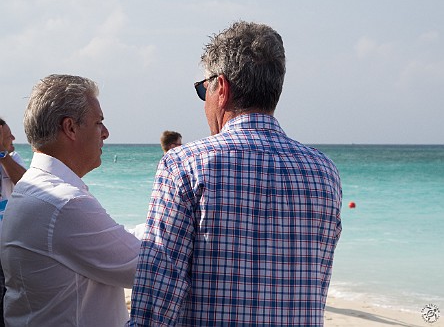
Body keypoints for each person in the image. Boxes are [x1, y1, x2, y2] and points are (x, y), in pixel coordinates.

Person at [128, 21, 342, 326]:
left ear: (222, 88)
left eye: (204, 89)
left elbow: (156, 301)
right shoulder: (324, 173)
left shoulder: (184, 165)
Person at [0, 74, 141, 327]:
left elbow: (113, 243)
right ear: (70, 128)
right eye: (99, 123)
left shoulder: (36, 190)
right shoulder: (63, 202)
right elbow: (146, 266)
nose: (106, 133)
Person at [0, 118, 26, 327]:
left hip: (8, 247)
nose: (14, 139)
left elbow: (26, 184)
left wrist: (2, 155)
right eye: (8, 137)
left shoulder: (12, 158)